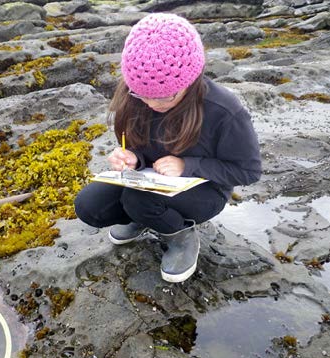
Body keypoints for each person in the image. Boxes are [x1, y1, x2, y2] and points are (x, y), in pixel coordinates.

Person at [74, 13, 262, 283]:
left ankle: (180, 235)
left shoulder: (224, 110)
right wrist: (132, 159)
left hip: (203, 190)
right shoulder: (135, 97)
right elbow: (138, 147)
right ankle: (146, 217)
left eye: (164, 97)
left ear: (190, 78)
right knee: (89, 206)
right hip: (149, 181)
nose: (152, 104)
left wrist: (188, 166)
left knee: (137, 200)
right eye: (143, 95)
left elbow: (249, 171)